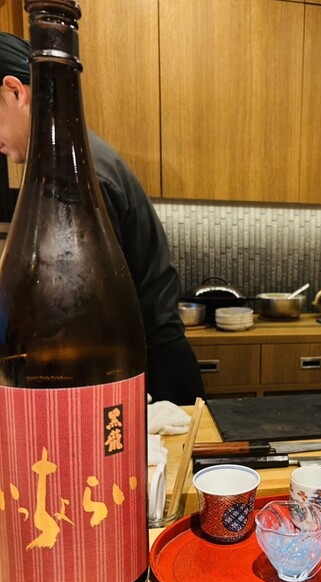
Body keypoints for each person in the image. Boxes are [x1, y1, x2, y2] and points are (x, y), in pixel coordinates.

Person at [0, 32, 205, 406]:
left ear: (16, 92)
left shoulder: (72, 173)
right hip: (146, 361)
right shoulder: (69, 159)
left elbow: (83, 307)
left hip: (146, 372)